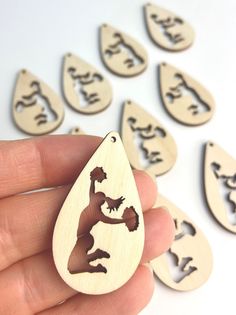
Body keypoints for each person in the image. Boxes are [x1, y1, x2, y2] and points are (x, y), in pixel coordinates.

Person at [0, 134, 174, 315]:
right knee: (86, 243)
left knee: (89, 241)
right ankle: (87, 264)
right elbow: (108, 217)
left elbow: (104, 197)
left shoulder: (97, 200)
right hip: (75, 234)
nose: (106, 202)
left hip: (80, 235)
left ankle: (89, 260)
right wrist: (124, 219)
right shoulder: (96, 210)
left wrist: (109, 196)